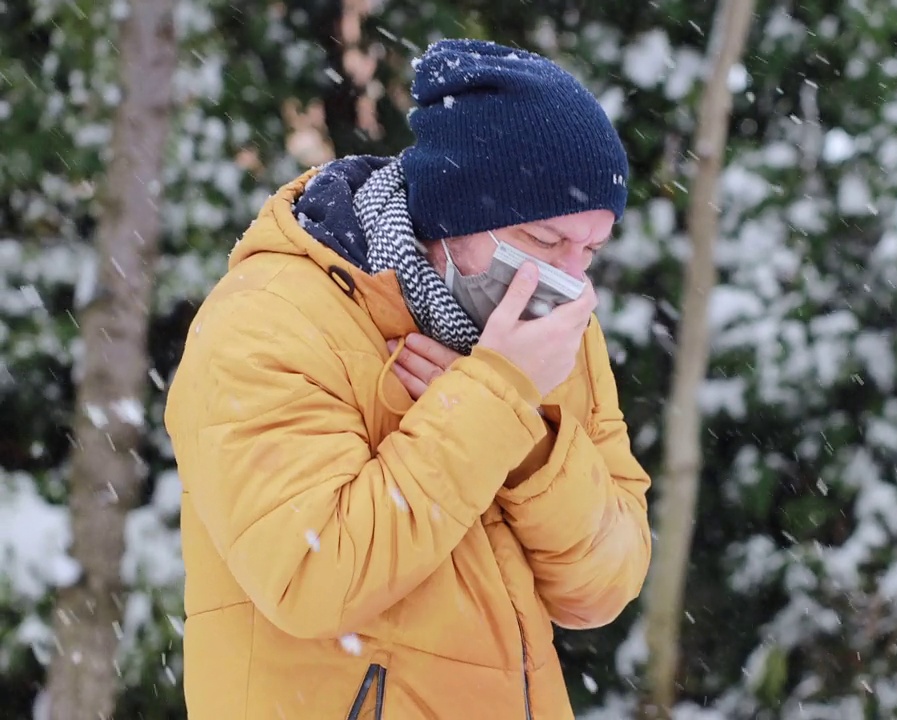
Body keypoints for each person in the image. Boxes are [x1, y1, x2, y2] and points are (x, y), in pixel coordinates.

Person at [164, 38, 652, 719]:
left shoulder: (550, 327)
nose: (571, 278)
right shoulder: (268, 320)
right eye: (545, 241)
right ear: (454, 215)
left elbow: (606, 583)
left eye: (591, 250)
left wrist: (531, 443)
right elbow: (313, 576)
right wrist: (498, 394)